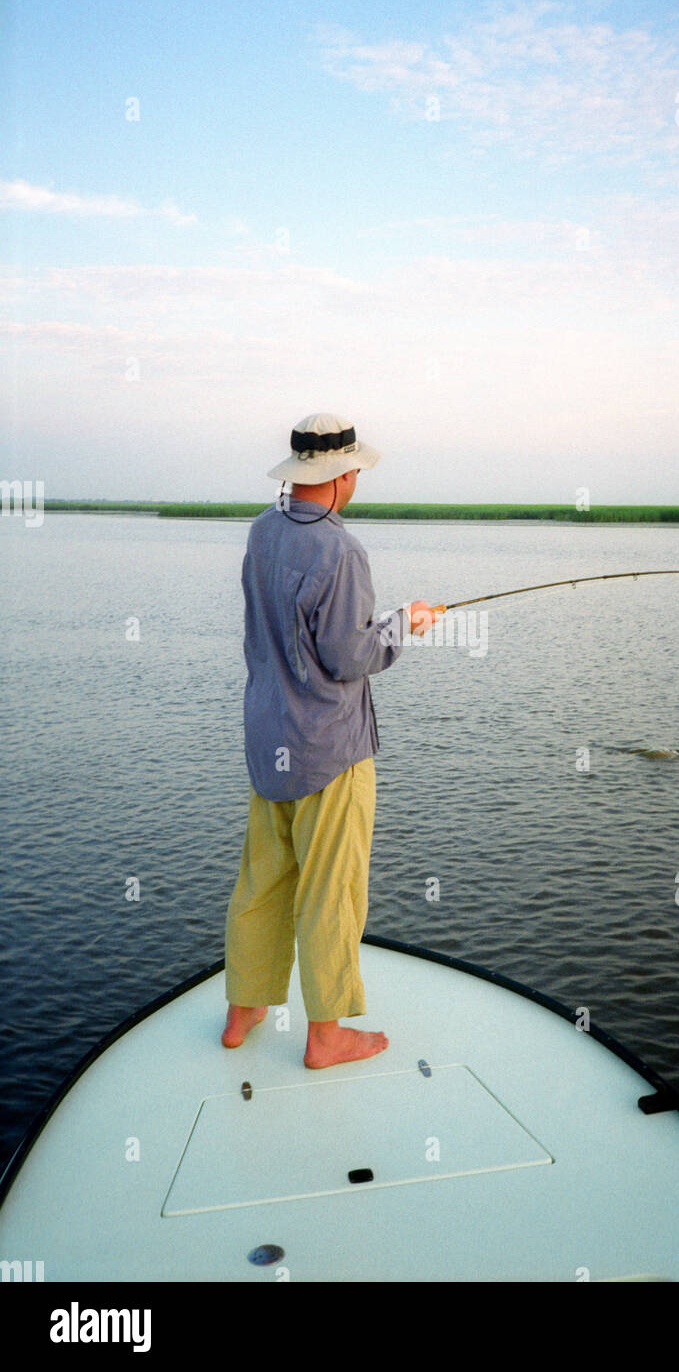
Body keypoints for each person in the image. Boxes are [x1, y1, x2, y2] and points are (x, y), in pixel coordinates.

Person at [221, 413, 437, 1068]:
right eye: (356, 472)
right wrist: (406, 626)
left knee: (262, 879)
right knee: (331, 890)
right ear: (342, 476)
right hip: (328, 750)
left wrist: (381, 622)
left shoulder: (262, 531)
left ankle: (243, 1011)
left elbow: (291, 633)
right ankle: (325, 1036)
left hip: (268, 740)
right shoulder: (341, 552)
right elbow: (348, 657)